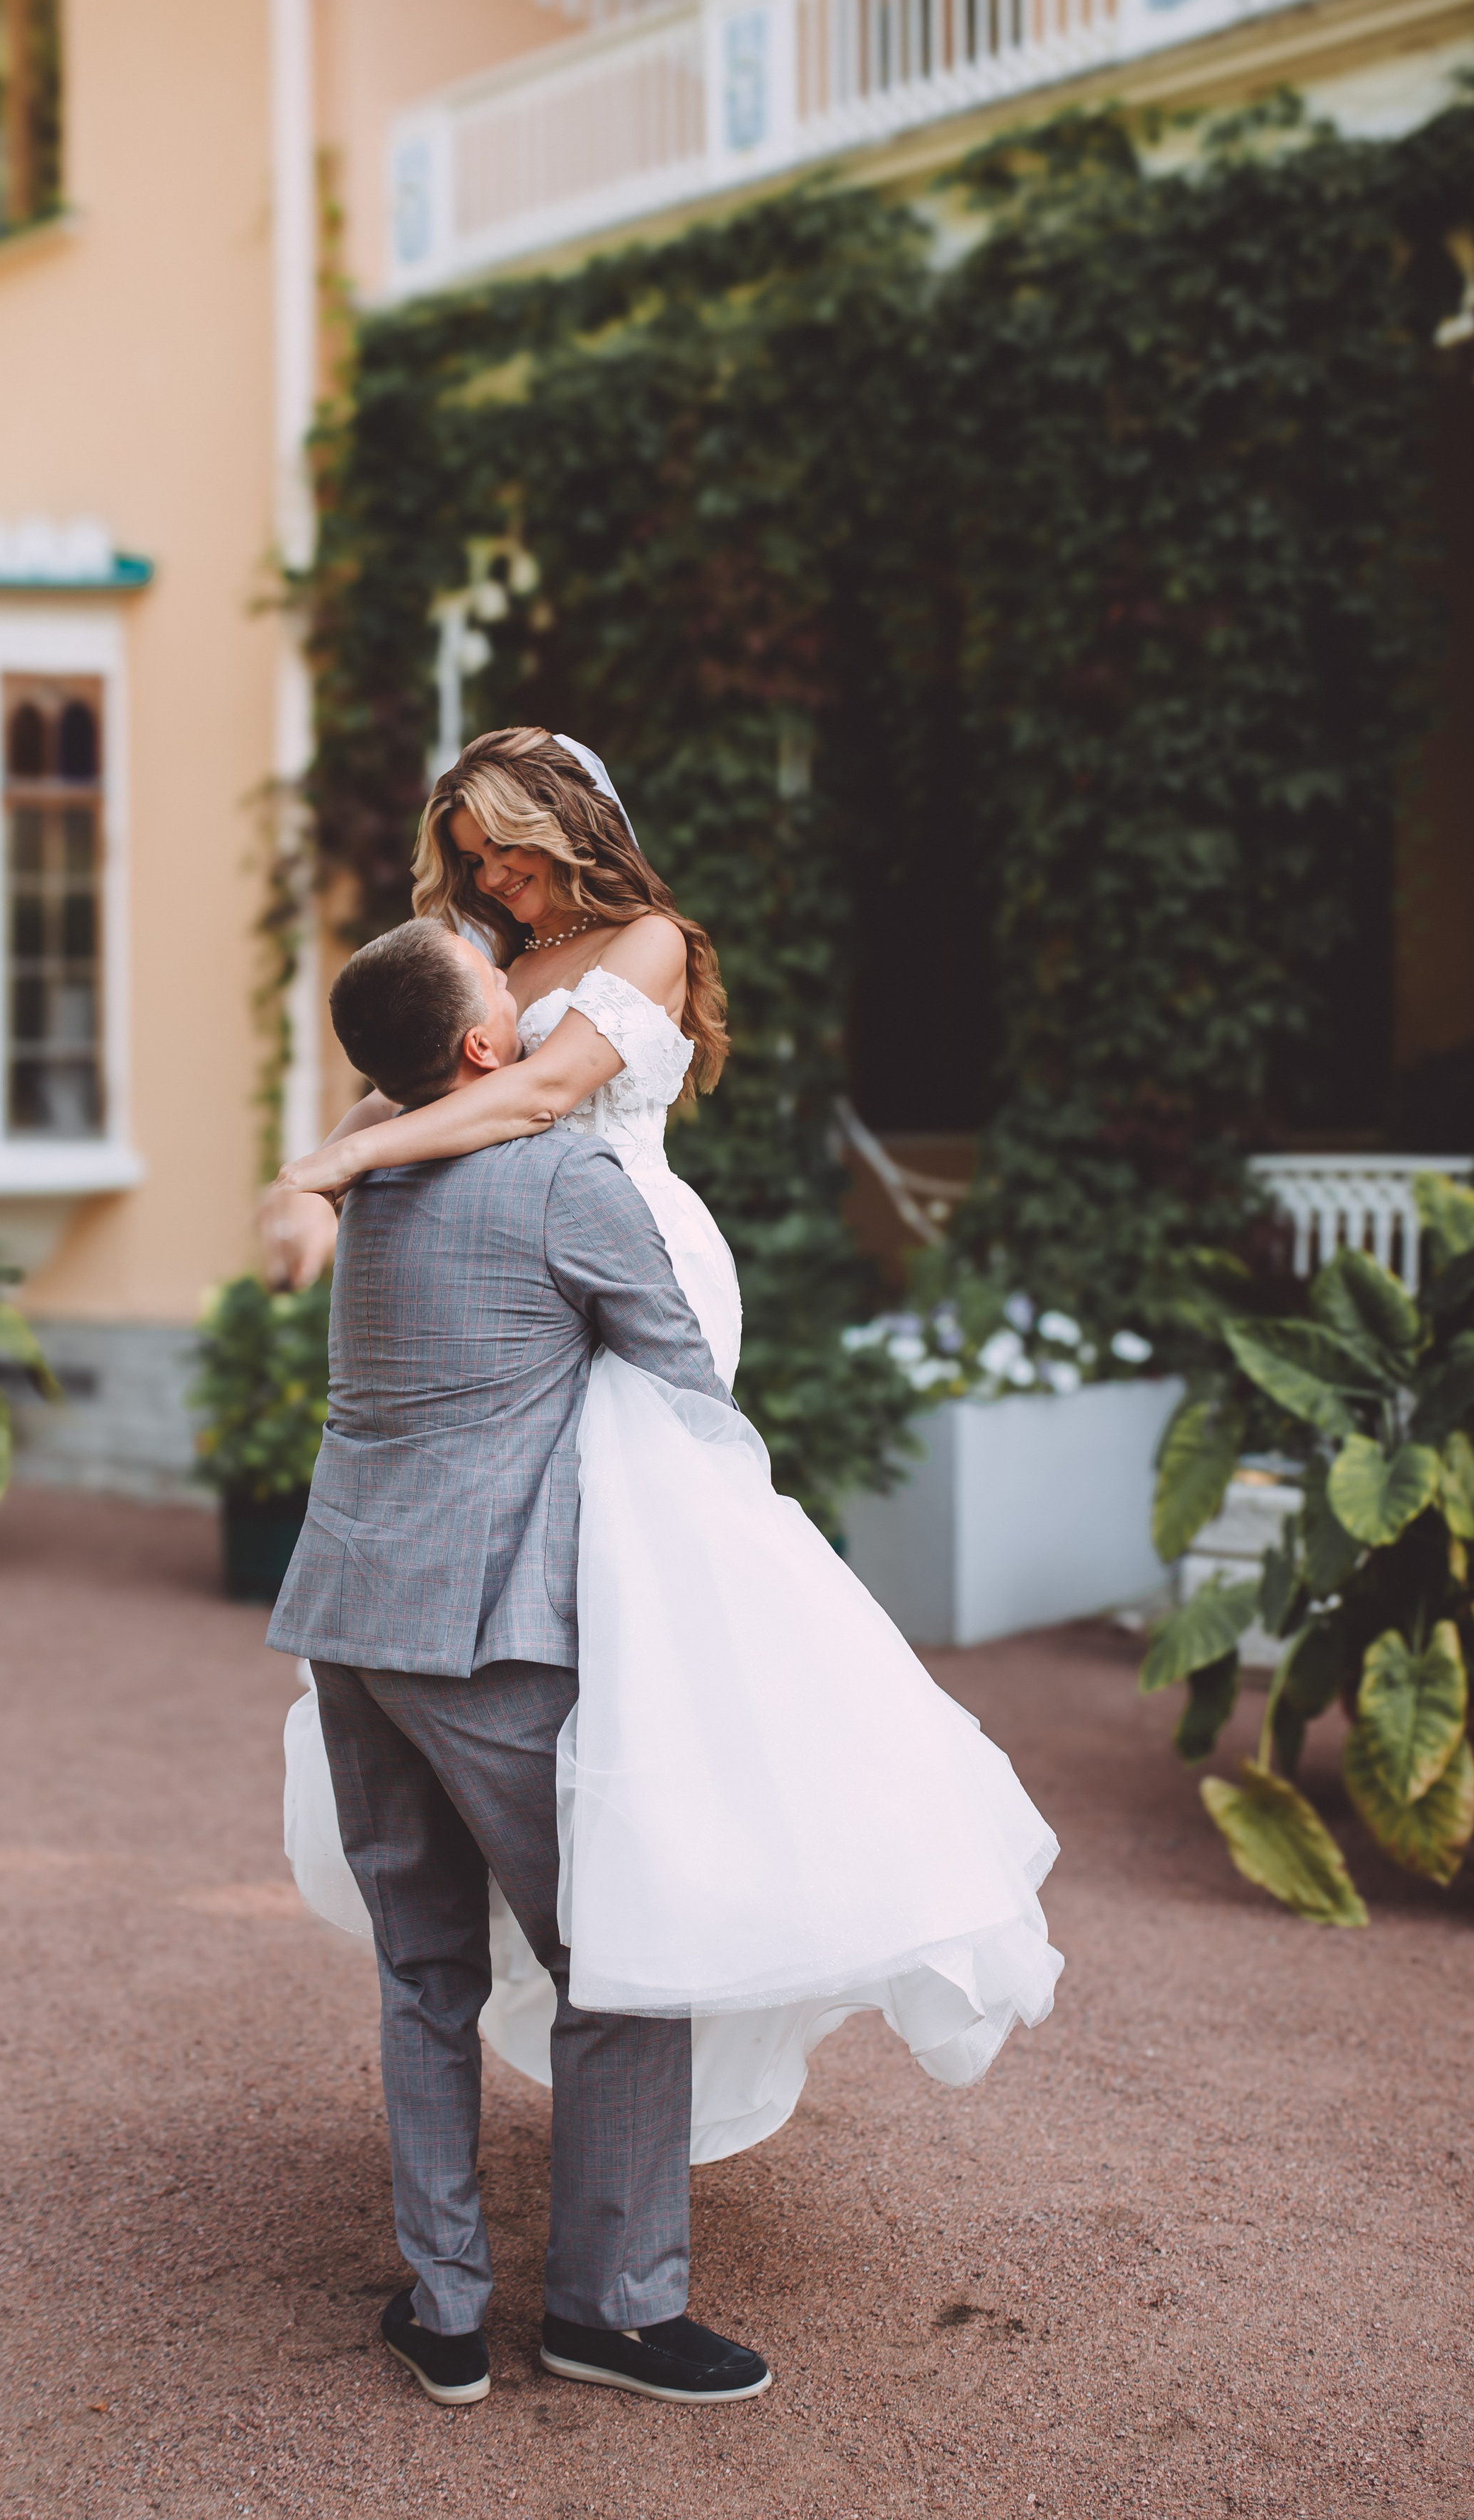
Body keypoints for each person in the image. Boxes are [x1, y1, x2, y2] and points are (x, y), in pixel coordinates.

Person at [267, 731, 1061, 2308]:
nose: (492, 881)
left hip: (596, 1252)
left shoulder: (634, 947)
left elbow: (541, 1094)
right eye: (469, 858)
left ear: (575, 825)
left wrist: (341, 1162)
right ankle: (611, 2294)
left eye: (509, 848)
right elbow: (446, 1079)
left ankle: (455, 2291)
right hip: (552, 1265)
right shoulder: (476, 985)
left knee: (662, 1539)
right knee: (597, 1906)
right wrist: (320, 1167)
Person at [266, 910, 775, 2409]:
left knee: (423, 1967)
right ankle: (608, 2311)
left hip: (347, 1623)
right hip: (488, 1638)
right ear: (485, 1048)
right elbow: (683, 1384)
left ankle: (440, 2310)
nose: (537, 993)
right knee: (614, 1960)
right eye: (509, 988)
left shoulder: (386, 1181)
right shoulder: (565, 1176)